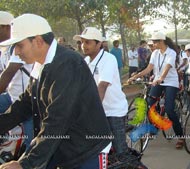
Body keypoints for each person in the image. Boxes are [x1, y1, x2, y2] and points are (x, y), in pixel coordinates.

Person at [0, 14, 112, 169]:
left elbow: (57, 119)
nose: (17, 52)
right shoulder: (40, 64)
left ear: (38, 41)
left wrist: (25, 164)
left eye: (19, 45)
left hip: (86, 150)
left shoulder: (67, 64)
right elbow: (24, 104)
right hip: (62, 148)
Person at [73, 27, 147, 169]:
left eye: (87, 42)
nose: (83, 45)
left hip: (113, 111)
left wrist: (92, 113)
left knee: (121, 152)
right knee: (98, 150)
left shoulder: (108, 59)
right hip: (98, 111)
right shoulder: (86, 61)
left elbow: (102, 86)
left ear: (99, 43)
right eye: (82, 42)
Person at [128, 32, 184, 149]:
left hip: (170, 82)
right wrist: (135, 76)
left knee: (169, 109)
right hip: (157, 81)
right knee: (149, 105)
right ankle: (155, 126)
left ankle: (181, 136)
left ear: (161, 41)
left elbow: (168, 67)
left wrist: (161, 78)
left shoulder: (171, 53)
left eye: (154, 42)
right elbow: (149, 68)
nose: (152, 44)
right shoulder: (155, 53)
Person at [0, 11, 33, 151]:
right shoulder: (4, 48)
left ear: (7, 27)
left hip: (27, 100)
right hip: (11, 96)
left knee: (32, 144)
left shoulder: (18, 46)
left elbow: (7, 74)